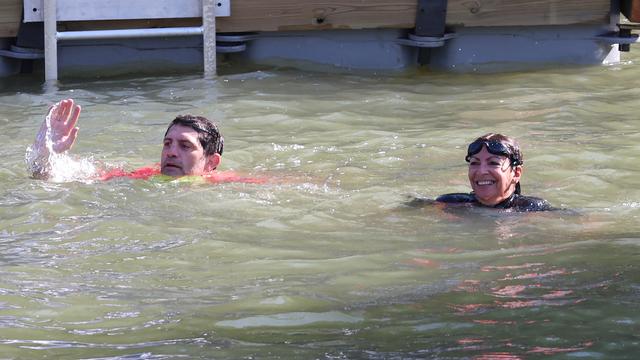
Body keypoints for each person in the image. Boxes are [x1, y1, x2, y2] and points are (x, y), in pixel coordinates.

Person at [27, 98, 263, 184]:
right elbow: (52, 180)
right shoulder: (144, 177)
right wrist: (46, 152)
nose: (171, 152)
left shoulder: (232, 185)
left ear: (212, 162)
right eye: (167, 143)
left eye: (185, 146)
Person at [434, 133, 553, 212]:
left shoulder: (532, 210)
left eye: (493, 163)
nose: (481, 171)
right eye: (475, 163)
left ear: (516, 173)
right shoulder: (449, 204)